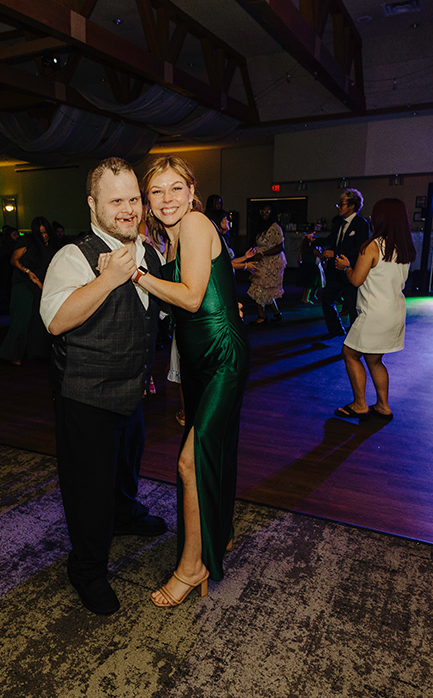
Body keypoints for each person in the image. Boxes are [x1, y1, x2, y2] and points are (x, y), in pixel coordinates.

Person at [39, 157, 168, 616]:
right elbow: (56, 321)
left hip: (132, 389)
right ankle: (87, 569)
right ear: (93, 205)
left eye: (134, 199)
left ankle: (125, 514)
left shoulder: (150, 252)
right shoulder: (72, 256)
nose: (129, 209)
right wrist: (109, 278)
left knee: (126, 463)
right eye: (116, 201)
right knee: (88, 487)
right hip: (86, 395)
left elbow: (152, 316)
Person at [135, 155, 250, 608]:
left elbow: (192, 297)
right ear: (148, 200)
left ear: (191, 191)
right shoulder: (169, 239)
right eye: (157, 191)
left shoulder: (197, 224)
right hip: (198, 360)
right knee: (213, 452)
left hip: (222, 355)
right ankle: (215, 538)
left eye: (175, 188)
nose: (167, 199)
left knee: (189, 462)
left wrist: (137, 276)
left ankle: (191, 567)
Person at [332, 198, 417, 420]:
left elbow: (356, 280)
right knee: (374, 359)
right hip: (394, 311)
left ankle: (360, 405)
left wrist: (346, 267)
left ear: (380, 218)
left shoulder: (372, 246)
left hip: (374, 313)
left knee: (349, 354)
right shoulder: (403, 247)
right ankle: (383, 406)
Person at [0, 217, 55, 365]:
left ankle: (34, 353)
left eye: (46, 232)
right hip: (23, 282)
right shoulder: (28, 241)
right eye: (41, 232)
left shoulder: (52, 246)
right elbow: (14, 259)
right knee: (22, 318)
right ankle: (12, 354)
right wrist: (27, 271)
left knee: (38, 319)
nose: (44, 235)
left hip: (40, 285)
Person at [319, 188, 371, 338]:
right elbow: (330, 240)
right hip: (335, 271)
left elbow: (359, 248)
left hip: (351, 271)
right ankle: (336, 330)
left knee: (353, 306)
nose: (338, 207)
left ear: (352, 206)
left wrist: (334, 253)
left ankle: (356, 337)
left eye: (341, 204)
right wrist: (314, 240)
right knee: (327, 301)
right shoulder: (339, 223)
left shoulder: (362, 224)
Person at [246, 204, 286, 324]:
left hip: (271, 263)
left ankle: (262, 315)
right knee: (264, 289)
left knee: (260, 288)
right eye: (263, 212)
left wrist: (263, 253)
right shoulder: (261, 226)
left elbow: (280, 247)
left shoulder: (275, 228)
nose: (265, 214)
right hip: (261, 261)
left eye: (268, 212)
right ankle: (276, 313)